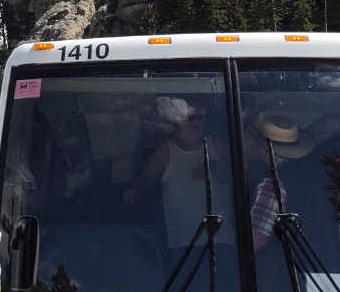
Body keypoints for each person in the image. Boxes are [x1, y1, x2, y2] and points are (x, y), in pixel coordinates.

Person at [124, 99, 236, 251]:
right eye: (191, 118)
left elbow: (244, 174)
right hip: (183, 242)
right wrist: (134, 191)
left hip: (222, 238)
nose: (196, 122)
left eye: (201, 118)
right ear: (179, 120)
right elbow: (146, 180)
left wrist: (218, 168)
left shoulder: (220, 146)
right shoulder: (165, 150)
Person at [245, 114, 314, 250]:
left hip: (287, 264)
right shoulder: (315, 180)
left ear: (264, 150)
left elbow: (255, 240)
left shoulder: (273, 185)